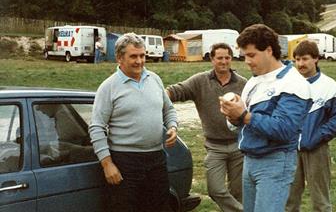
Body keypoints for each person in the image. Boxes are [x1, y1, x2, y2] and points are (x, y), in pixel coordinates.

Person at [220, 24, 312, 212]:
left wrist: (244, 116)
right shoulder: (254, 81)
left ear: (269, 50)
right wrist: (233, 116)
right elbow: (243, 125)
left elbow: (285, 129)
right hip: (250, 159)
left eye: (251, 55)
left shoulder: (293, 83)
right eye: (244, 55)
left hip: (275, 160)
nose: (246, 61)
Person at [89, 33, 178, 212]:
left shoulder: (154, 79)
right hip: (125, 161)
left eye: (142, 56)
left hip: (156, 159)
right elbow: (96, 127)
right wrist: (107, 164)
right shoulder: (109, 87)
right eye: (133, 56)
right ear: (119, 58)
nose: (139, 61)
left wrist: (173, 126)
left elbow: (168, 109)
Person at [167, 43, 247, 212]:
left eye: (227, 58)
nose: (224, 62)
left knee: (239, 191)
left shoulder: (242, 84)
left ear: (231, 59)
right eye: (220, 58)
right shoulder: (200, 81)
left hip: (239, 145)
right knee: (215, 189)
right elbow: (176, 91)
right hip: (214, 147)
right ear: (212, 59)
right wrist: (158, 95)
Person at [285, 40, 336, 212]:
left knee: (320, 201)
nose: (300, 64)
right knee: (289, 200)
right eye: (297, 59)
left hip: (316, 149)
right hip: (289, 149)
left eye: (305, 59)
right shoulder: (289, 83)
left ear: (316, 59)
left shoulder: (329, 85)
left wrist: (316, 137)